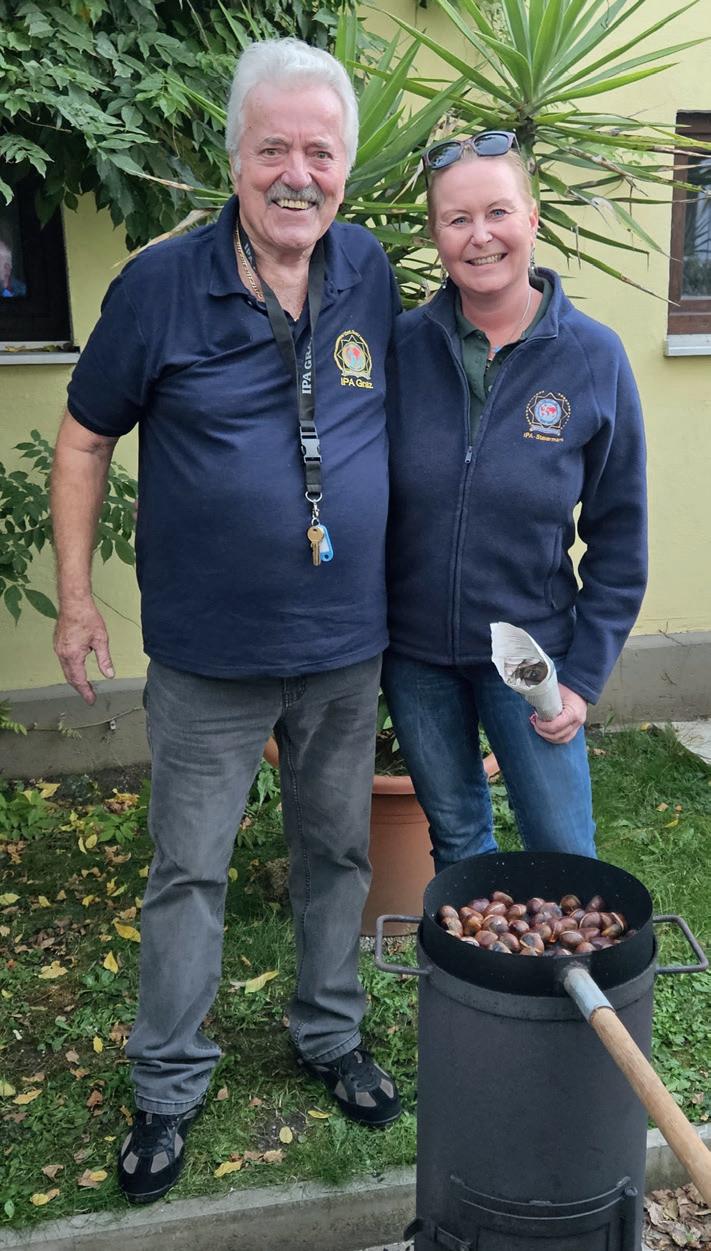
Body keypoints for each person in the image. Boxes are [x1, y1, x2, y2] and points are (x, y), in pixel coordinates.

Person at [51, 37, 402, 1206]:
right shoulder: (159, 286)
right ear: (234, 159)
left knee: (336, 852)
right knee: (189, 870)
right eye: (273, 150)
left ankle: (330, 1033)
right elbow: (84, 440)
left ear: (346, 165)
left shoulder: (368, 269)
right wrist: (74, 601)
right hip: (209, 655)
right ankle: (166, 1083)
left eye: (320, 152)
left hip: (345, 645)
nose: (297, 174)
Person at [383, 131, 647, 872]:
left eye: (497, 212)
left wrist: (582, 677)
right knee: (460, 849)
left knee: (565, 859)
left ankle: (568, 953)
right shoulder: (401, 347)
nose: (480, 236)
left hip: (530, 659)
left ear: (531, 218)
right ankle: (476, 956)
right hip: (415, 658)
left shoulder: (593, 357)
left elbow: (620, 535)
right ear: (435, 235)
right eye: (456, 219)